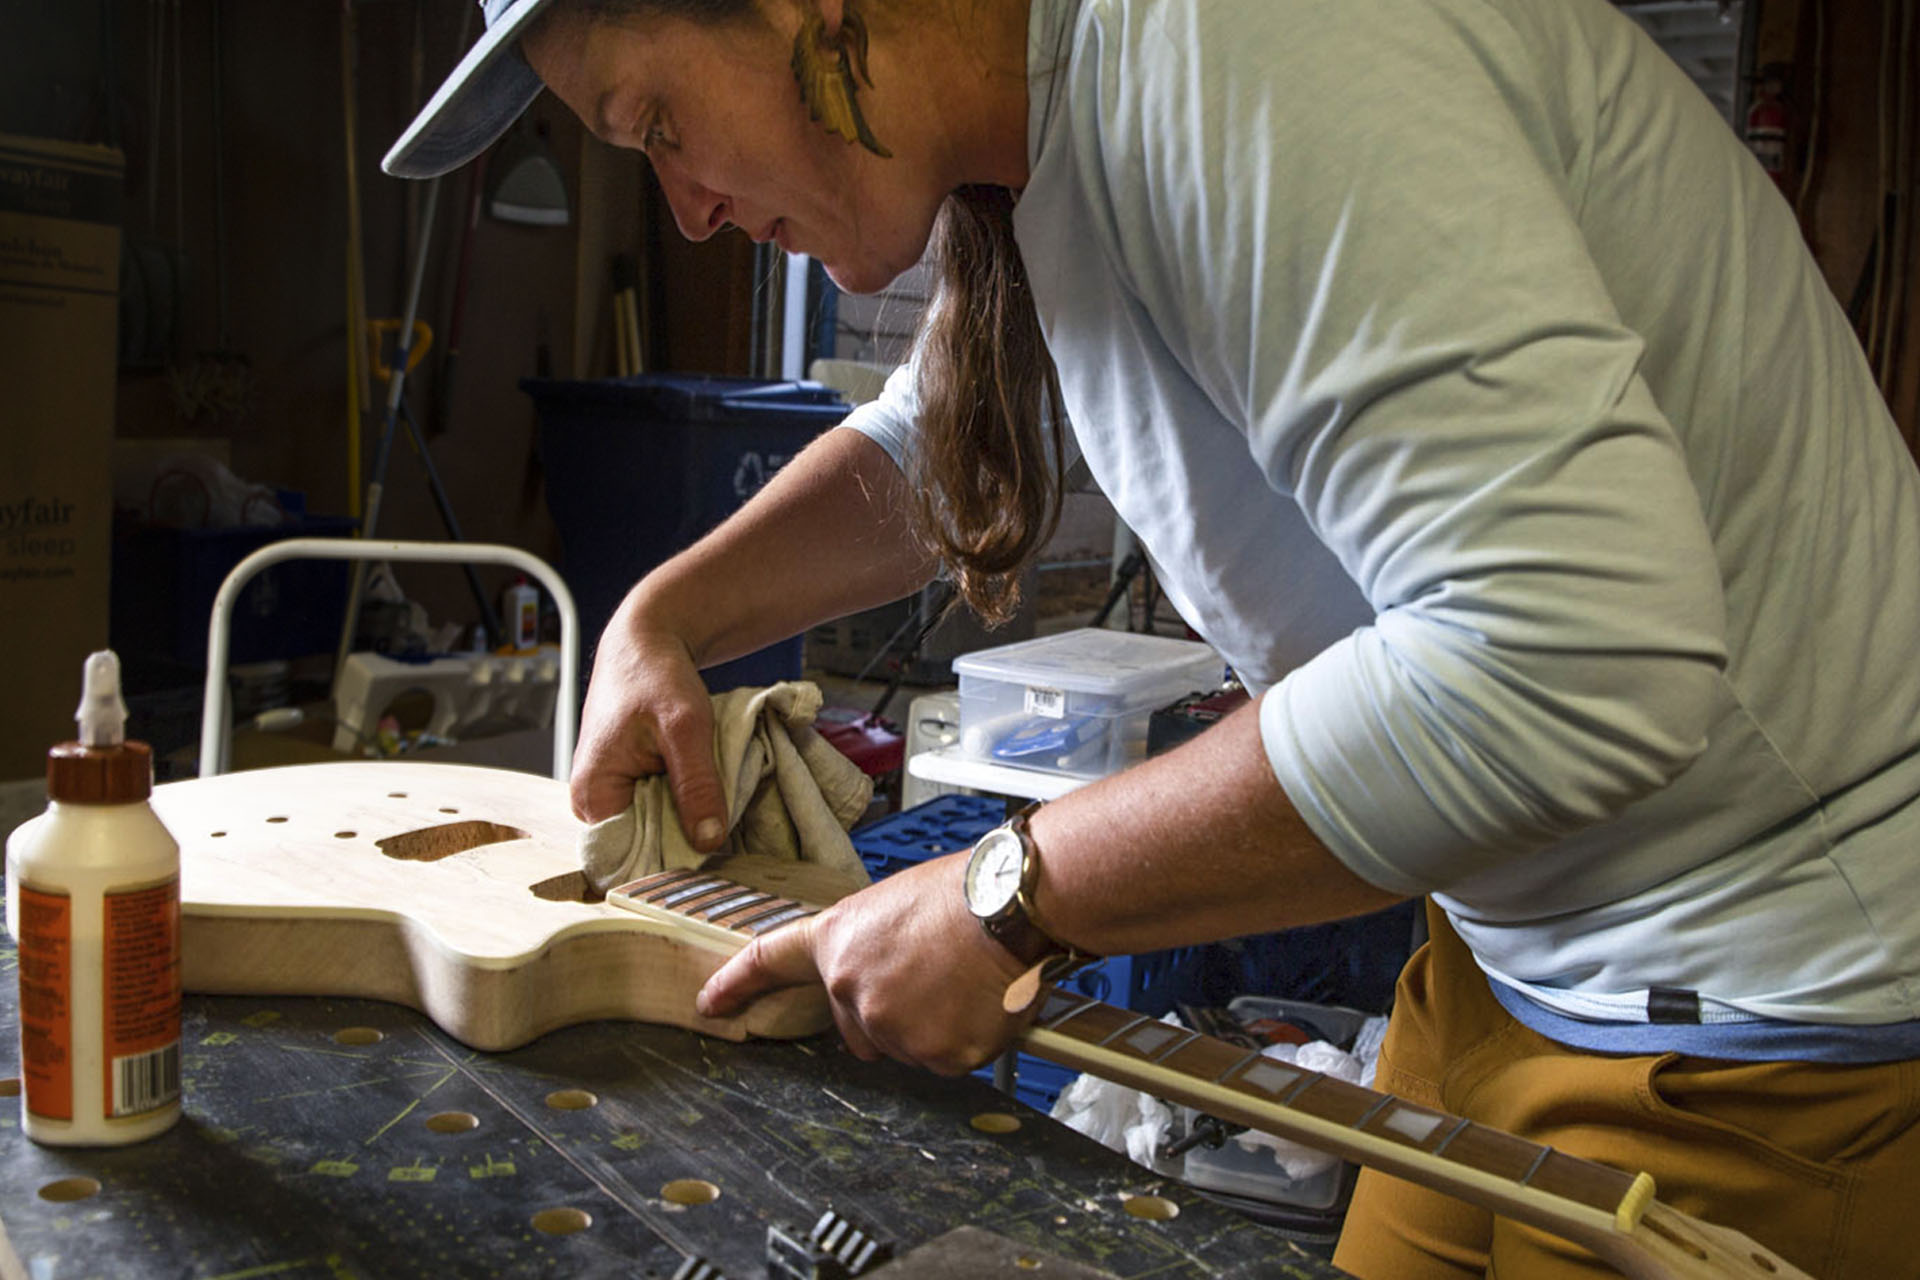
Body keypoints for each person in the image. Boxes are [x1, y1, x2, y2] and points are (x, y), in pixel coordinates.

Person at [383, 1, 1920, 1274]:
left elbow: (1572, 658)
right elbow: (949, 434)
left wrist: (1007, 895)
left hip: (1760, 1012)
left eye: (658, 123)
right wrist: (670, 614)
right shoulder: (1046, 127)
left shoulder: (1256, 47)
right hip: (1503, 947)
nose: (688, 208)